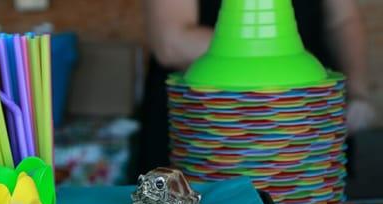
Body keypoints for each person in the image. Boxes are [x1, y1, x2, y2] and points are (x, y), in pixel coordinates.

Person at [138, 0, 376, 173]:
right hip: (208, 128)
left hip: (307, 126)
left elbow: (343, 20)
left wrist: (357, 92)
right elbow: (172, 43)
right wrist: (283, 61)